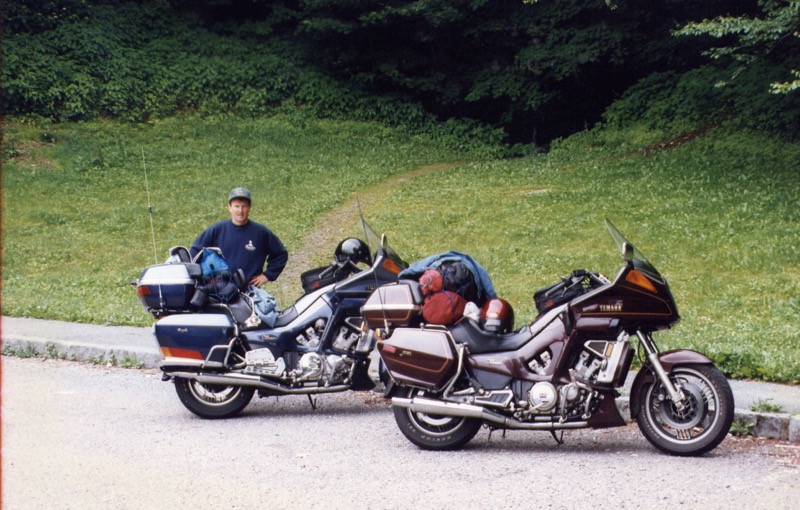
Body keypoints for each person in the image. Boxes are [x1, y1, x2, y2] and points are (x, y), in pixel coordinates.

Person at [191, 187, 288, 287]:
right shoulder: (217, 230)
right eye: (236, 206)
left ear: (249, 208)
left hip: (250, 291)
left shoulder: (260, 232)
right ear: (229, 207)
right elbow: (195, 252)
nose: (240, 211)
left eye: (244, 206)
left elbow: (280, 254)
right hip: (219, 290)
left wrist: (267, 275)